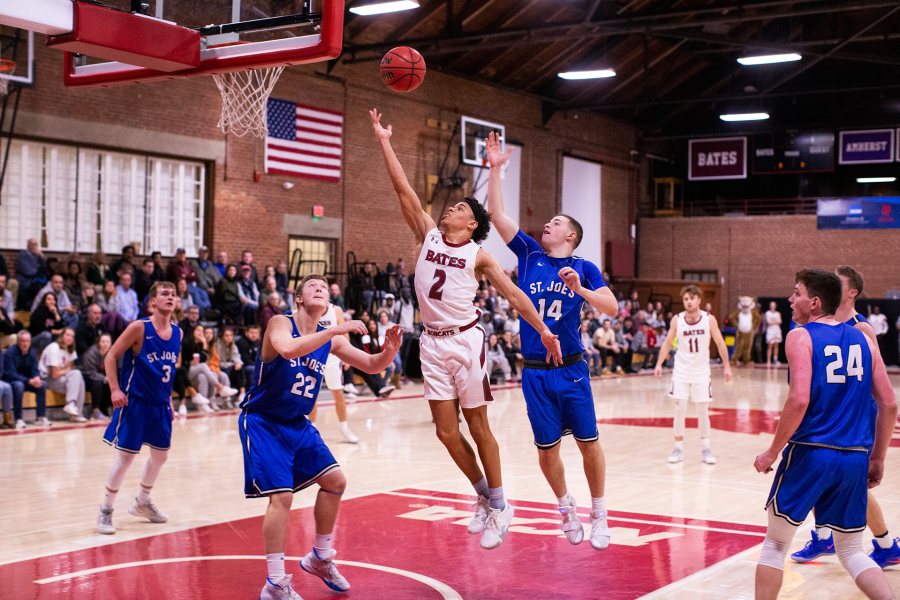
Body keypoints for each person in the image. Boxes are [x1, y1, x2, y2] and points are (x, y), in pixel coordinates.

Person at [371, 109, 562, 550]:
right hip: (431, 343)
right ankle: (484, 497)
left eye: (458, 208)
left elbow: (515, 296)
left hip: (464, 340)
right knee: (444, 431)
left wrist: (544, 330)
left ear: (471, 223)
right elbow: (403, 189)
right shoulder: (428, 234)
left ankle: (501, 502)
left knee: (478, 427)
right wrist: (384, 140)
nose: (450, 209)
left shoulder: (479, 255)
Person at [483, 130, 617, 550]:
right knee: (546, 451)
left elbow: (611, 307)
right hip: (534, 371)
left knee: (588, 443)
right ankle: (565, 507)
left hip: (572, 368)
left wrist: (580, 289)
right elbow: (497, 218)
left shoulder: (585, 266)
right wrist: (494, 170)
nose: (548, 224)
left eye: (556, 222)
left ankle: (599, 513)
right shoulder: (529, 255)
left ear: (571, 236)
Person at [241, 274, 402, 600]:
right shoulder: (279, 323)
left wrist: (389, 352)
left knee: (335, 482)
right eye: (312, 286)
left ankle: (320, 557)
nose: (320, 289)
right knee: (282, 497)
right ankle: (274, 583)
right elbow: (286, 350)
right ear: (299, 299)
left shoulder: (330, 338)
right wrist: (333, 330)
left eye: (325, 288)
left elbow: (371, 366)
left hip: (296, 423)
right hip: (264, 421)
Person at [753, 269, 896, 600]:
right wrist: (877, 458)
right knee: (852, 551)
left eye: (797, 293)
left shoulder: (800, 336)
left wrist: (772, 452)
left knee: (775, 546)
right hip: (855, 459)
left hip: (812, 452)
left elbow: (799, 399)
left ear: (814, 303)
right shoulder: (864, 338)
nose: (791, 299)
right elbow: (889, 404)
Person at [790, 266, 900, 569]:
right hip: (828, 417)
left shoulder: (861, 329)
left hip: (853, 419)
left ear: (851, 292)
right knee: (817, 472)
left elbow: (877, 386)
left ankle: (885, 542)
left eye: (839, 282)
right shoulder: (818, 326)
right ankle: (824, 535)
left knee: (854, 483)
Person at [97, 281, 182, 535]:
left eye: (174, 294)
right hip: (135, 403)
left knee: (161, 456)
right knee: (126, 457)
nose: (170, 297)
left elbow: (167, 372)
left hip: (160, 405)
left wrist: (168, 400)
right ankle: (106, 509)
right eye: (164, 294)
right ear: (152, 302)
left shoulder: (178, 332)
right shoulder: (139, 328)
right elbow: (111, 356)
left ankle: (143, 501)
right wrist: (114, 388)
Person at [654, 285, 733, 464]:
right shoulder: (677, 319)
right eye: (685, 299)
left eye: (691, 298)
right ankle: (678, 448)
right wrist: (659, 363)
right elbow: (667, 343)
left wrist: (727, 366)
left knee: (702, 411)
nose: (688, 302)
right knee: (679, 408)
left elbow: (720, 343)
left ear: (699, 300)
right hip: (681, 371)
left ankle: (706, 448)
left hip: (701, 372)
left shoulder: (709, 319)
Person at [308, 300, 359, 444]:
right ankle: (312, 430)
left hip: (332, 357)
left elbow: (344, 334)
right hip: (314, 355)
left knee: (338, 393)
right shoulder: (309, 309)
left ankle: (344, 428)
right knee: (312, 395)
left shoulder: (335, 310)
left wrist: (347, 356)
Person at [39, 327, 87, 422]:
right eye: (67, 335)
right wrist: (67, 369)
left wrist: (67, 369)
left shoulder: (71, 350)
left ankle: (77, 414)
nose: (70, 338)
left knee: (80, 379)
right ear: (61, 336)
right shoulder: (53, 348)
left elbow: (70, 368)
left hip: (62, 378)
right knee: (76, 374)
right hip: (47, 379)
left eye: (72, 336)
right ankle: (70, 403)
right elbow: (54, 374)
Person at [3, 331, 48, 429]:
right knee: (19, 386)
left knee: (42, 385)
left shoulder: (32, 352)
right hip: (12, 381)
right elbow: (11, 374)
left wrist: (36, 378)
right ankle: (18, 419)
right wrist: (29, 380)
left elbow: (35, 369)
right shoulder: (10, 353)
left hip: (27, 381)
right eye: (23, 341)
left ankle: (41, 417)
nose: (25, 344)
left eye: (27, 341)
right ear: (18, 341)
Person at [82, 332, 113, 420]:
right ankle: (95, 411)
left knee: (111, 383)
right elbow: (90, 373)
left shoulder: (111, 353)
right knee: (98, 383)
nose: (105, 344)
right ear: (98, 343)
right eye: (103, 341)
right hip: (85, 377)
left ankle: (109, 410)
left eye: (107, 342)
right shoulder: (91, 353)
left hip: (98, 377)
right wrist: (104, 378)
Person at [764, 301, 783, 366]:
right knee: (770, 346)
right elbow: (768, 322)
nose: (772, 306)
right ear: (770, 306)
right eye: (771, 305)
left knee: (776, 346)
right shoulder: (767, 313)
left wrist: (773, 321)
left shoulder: (778, 313)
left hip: (777, 330)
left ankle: (775, 360)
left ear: (775, 306)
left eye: (774, 305)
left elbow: (780, 321)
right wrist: (776, 321)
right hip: (770, 331)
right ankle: (768, 361)